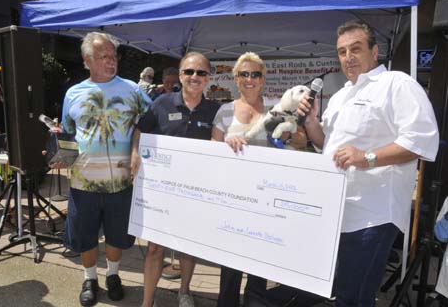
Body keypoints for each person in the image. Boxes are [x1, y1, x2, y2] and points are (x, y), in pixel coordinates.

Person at [297, 20, 439, 306]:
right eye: (341, 52)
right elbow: (329, 145)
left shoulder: (397, 84)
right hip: (338, 211)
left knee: (354, 298)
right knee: (340, 293)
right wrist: (311, 121)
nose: (348, 57)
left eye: (356, 49)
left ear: (375, 52)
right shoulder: (340, 96)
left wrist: (368, 157)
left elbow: (421, 141)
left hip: (371, 215)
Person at [56, 32, 151, 307]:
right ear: (88, 60)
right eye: (104, 56)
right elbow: (67, 132)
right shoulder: (73, 93)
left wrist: (135, 148)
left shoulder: (134, 90)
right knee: (86, 236)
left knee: (117, 233)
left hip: (121, 182)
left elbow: (148, 124)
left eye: (113, 56)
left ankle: (112, 275)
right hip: (83, 182)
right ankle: (89, 279)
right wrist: (58, 152)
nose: (112, 61)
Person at [211, 51, 307, 307]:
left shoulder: (278, 107)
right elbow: (211, 152)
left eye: (255, 74)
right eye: (244, 74)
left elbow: (302, 140)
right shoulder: (224, 111)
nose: (249, 79)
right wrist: (226, 144)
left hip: (268, 199)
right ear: (236, 79)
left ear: (263, 79)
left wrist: (295, 137)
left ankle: (256, 302)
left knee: (260, 265)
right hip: (234, 197)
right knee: (230, 265)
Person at [131, 51, 221, 307]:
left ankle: (184, 291)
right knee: (155, 248)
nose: (195, 77)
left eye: (201, 73)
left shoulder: (216, 110)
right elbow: (140, 129)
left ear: (208, 78)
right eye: (189, 72)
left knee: (188, 246)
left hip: (196, 192)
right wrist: (135, 152)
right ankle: (147, 302)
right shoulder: (161, 103)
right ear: (180, 75)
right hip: (162, 192)